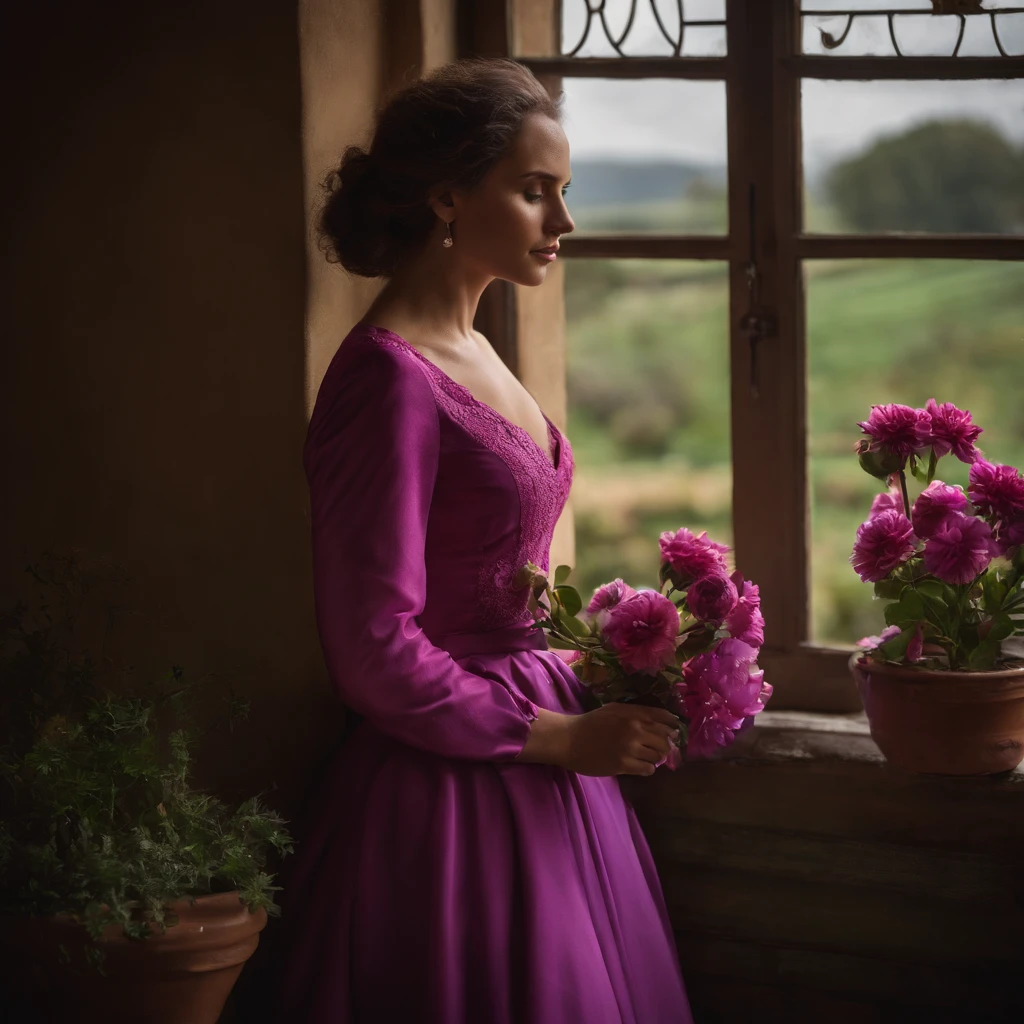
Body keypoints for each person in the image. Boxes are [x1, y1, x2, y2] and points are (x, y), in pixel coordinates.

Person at [270, 56, 693, 1023]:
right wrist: (560, 736)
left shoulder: (473, 344)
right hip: (454, 785)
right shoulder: (386, 381)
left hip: (546, 744)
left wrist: (622, 658)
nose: (564, 222)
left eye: (565, 193)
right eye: (535, 191)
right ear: (448, 196)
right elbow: (373, 647)